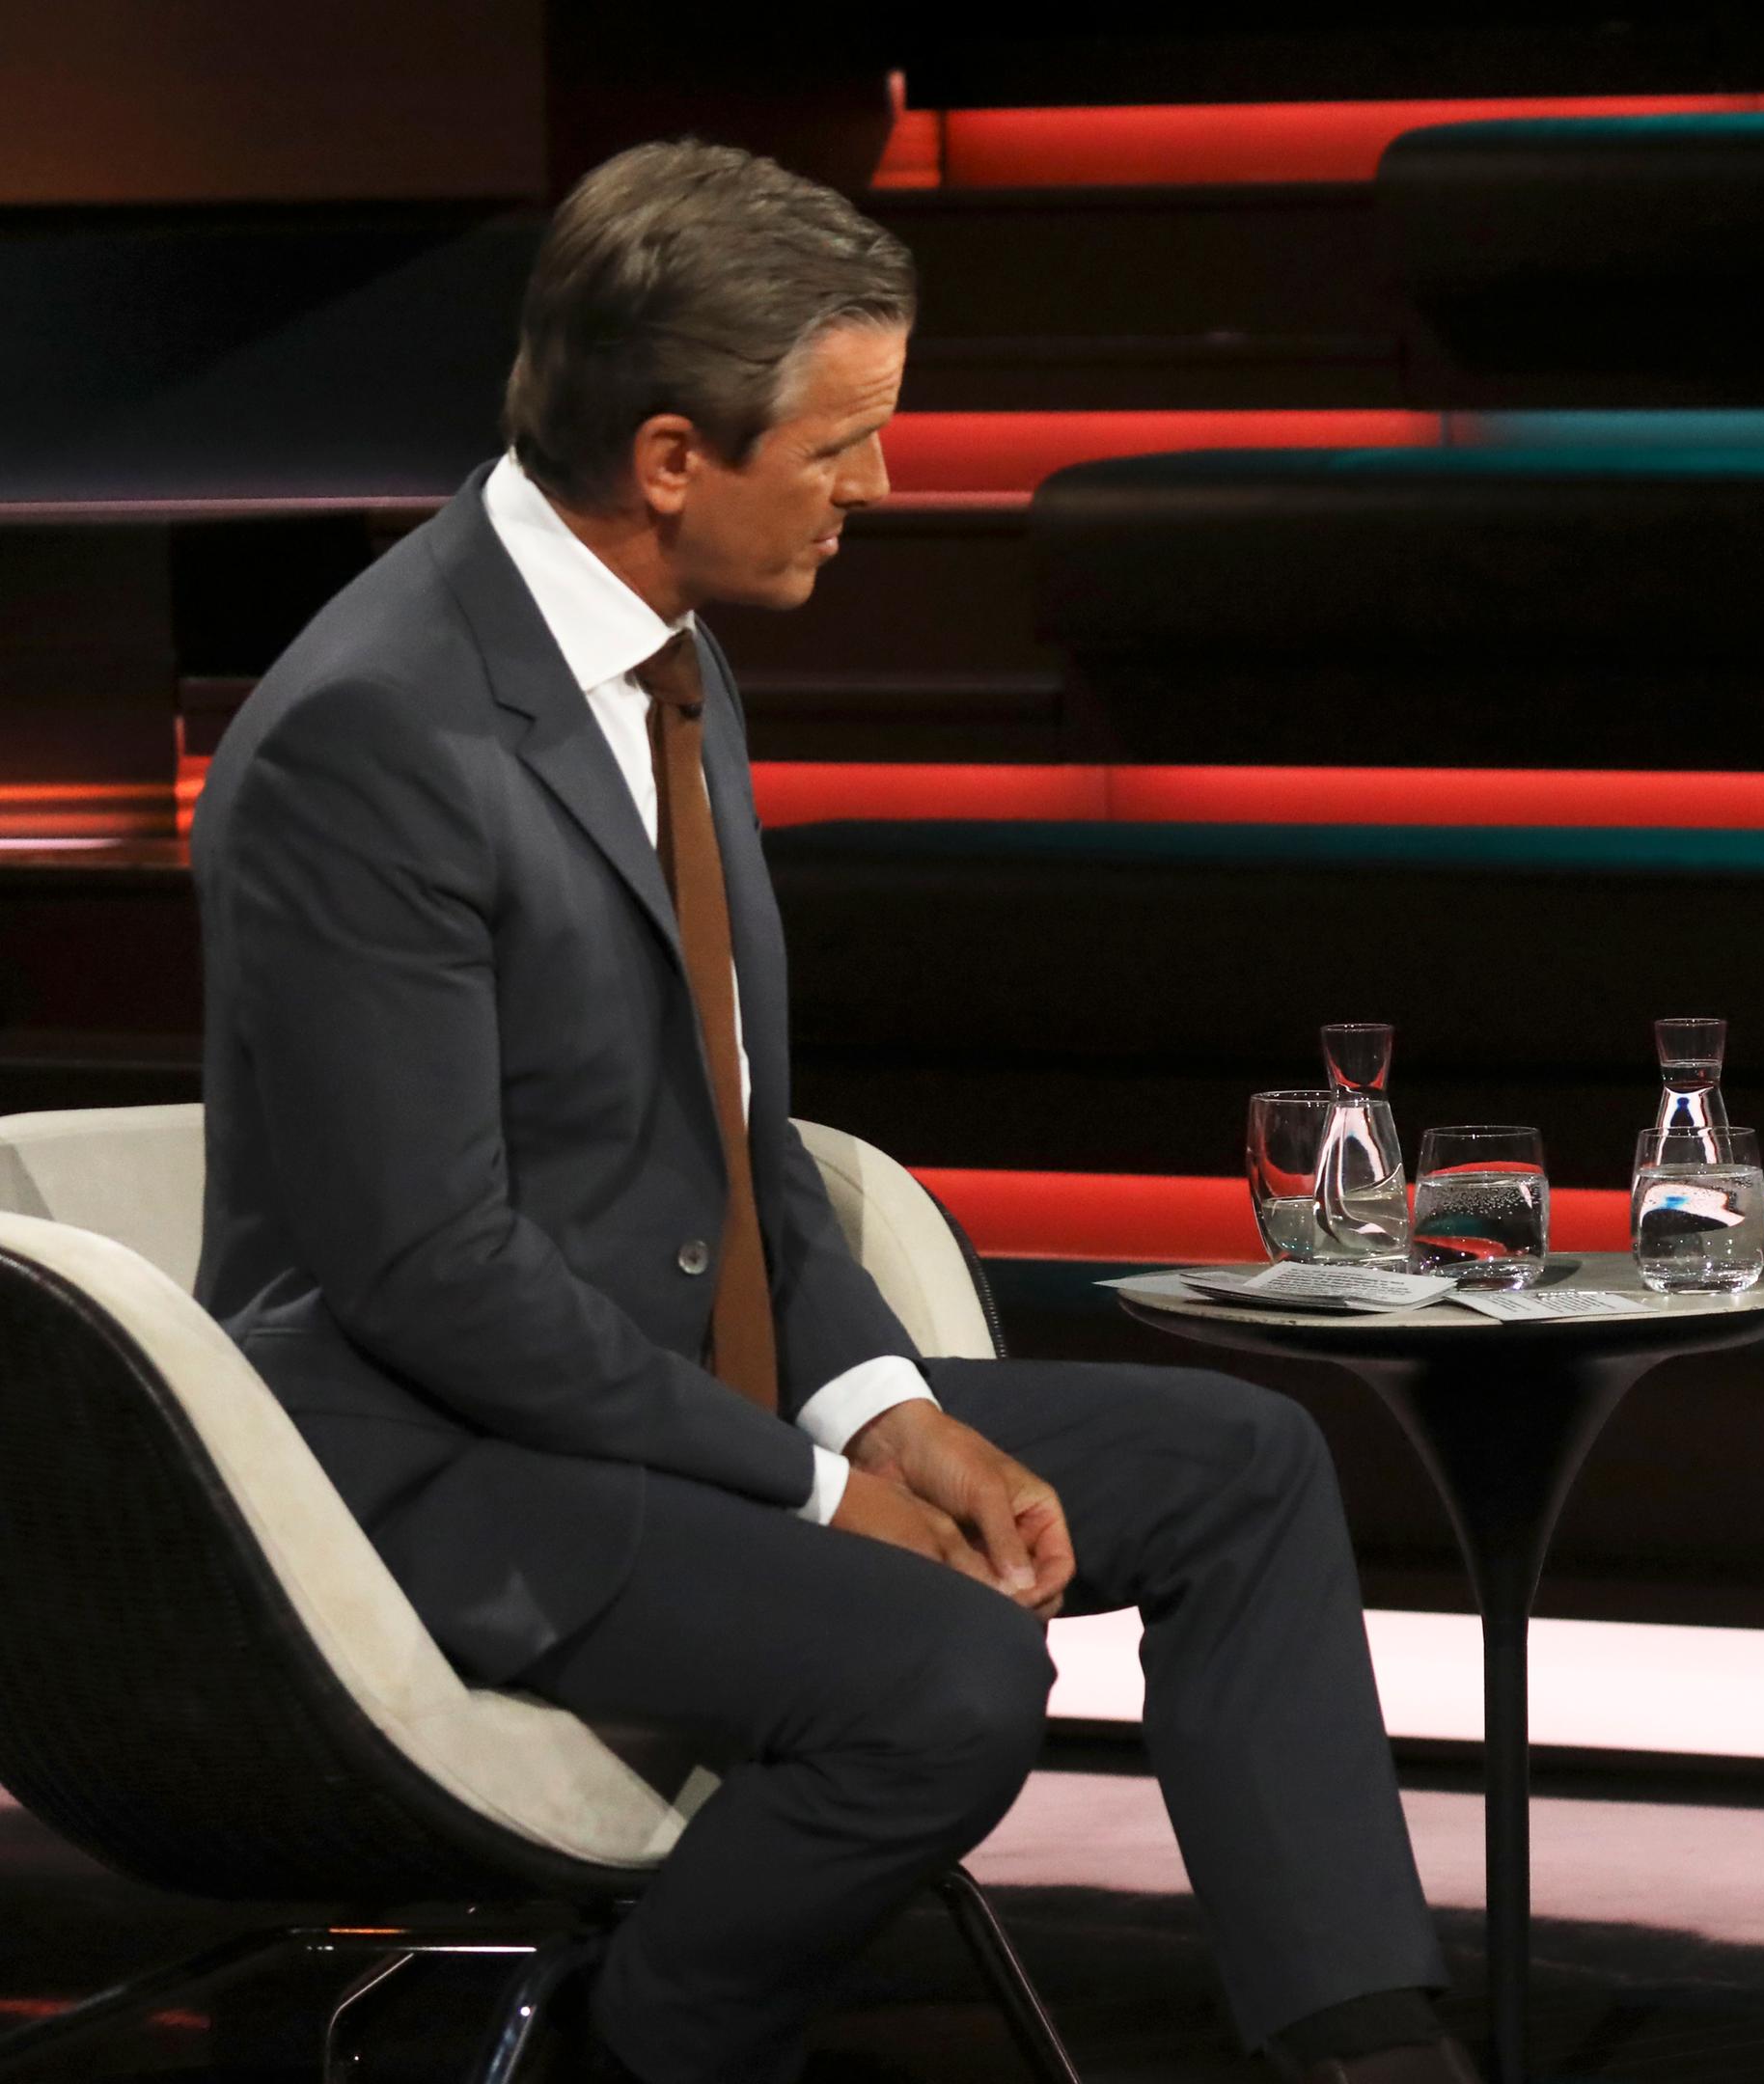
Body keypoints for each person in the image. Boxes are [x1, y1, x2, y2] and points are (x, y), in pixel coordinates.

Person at [191, 141, 1469, 2084]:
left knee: (1241, 1467)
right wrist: (814, 1490)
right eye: (843, 443)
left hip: (667, 1390)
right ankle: (637, 2052)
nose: (883, 488)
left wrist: (898, 1416)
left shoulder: (666, 657)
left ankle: (1367, 2056)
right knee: (945, 1672)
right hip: (436, 1466)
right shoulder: (378, 734)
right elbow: (427, 1270)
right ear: (676, 458)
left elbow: (740, 1142)